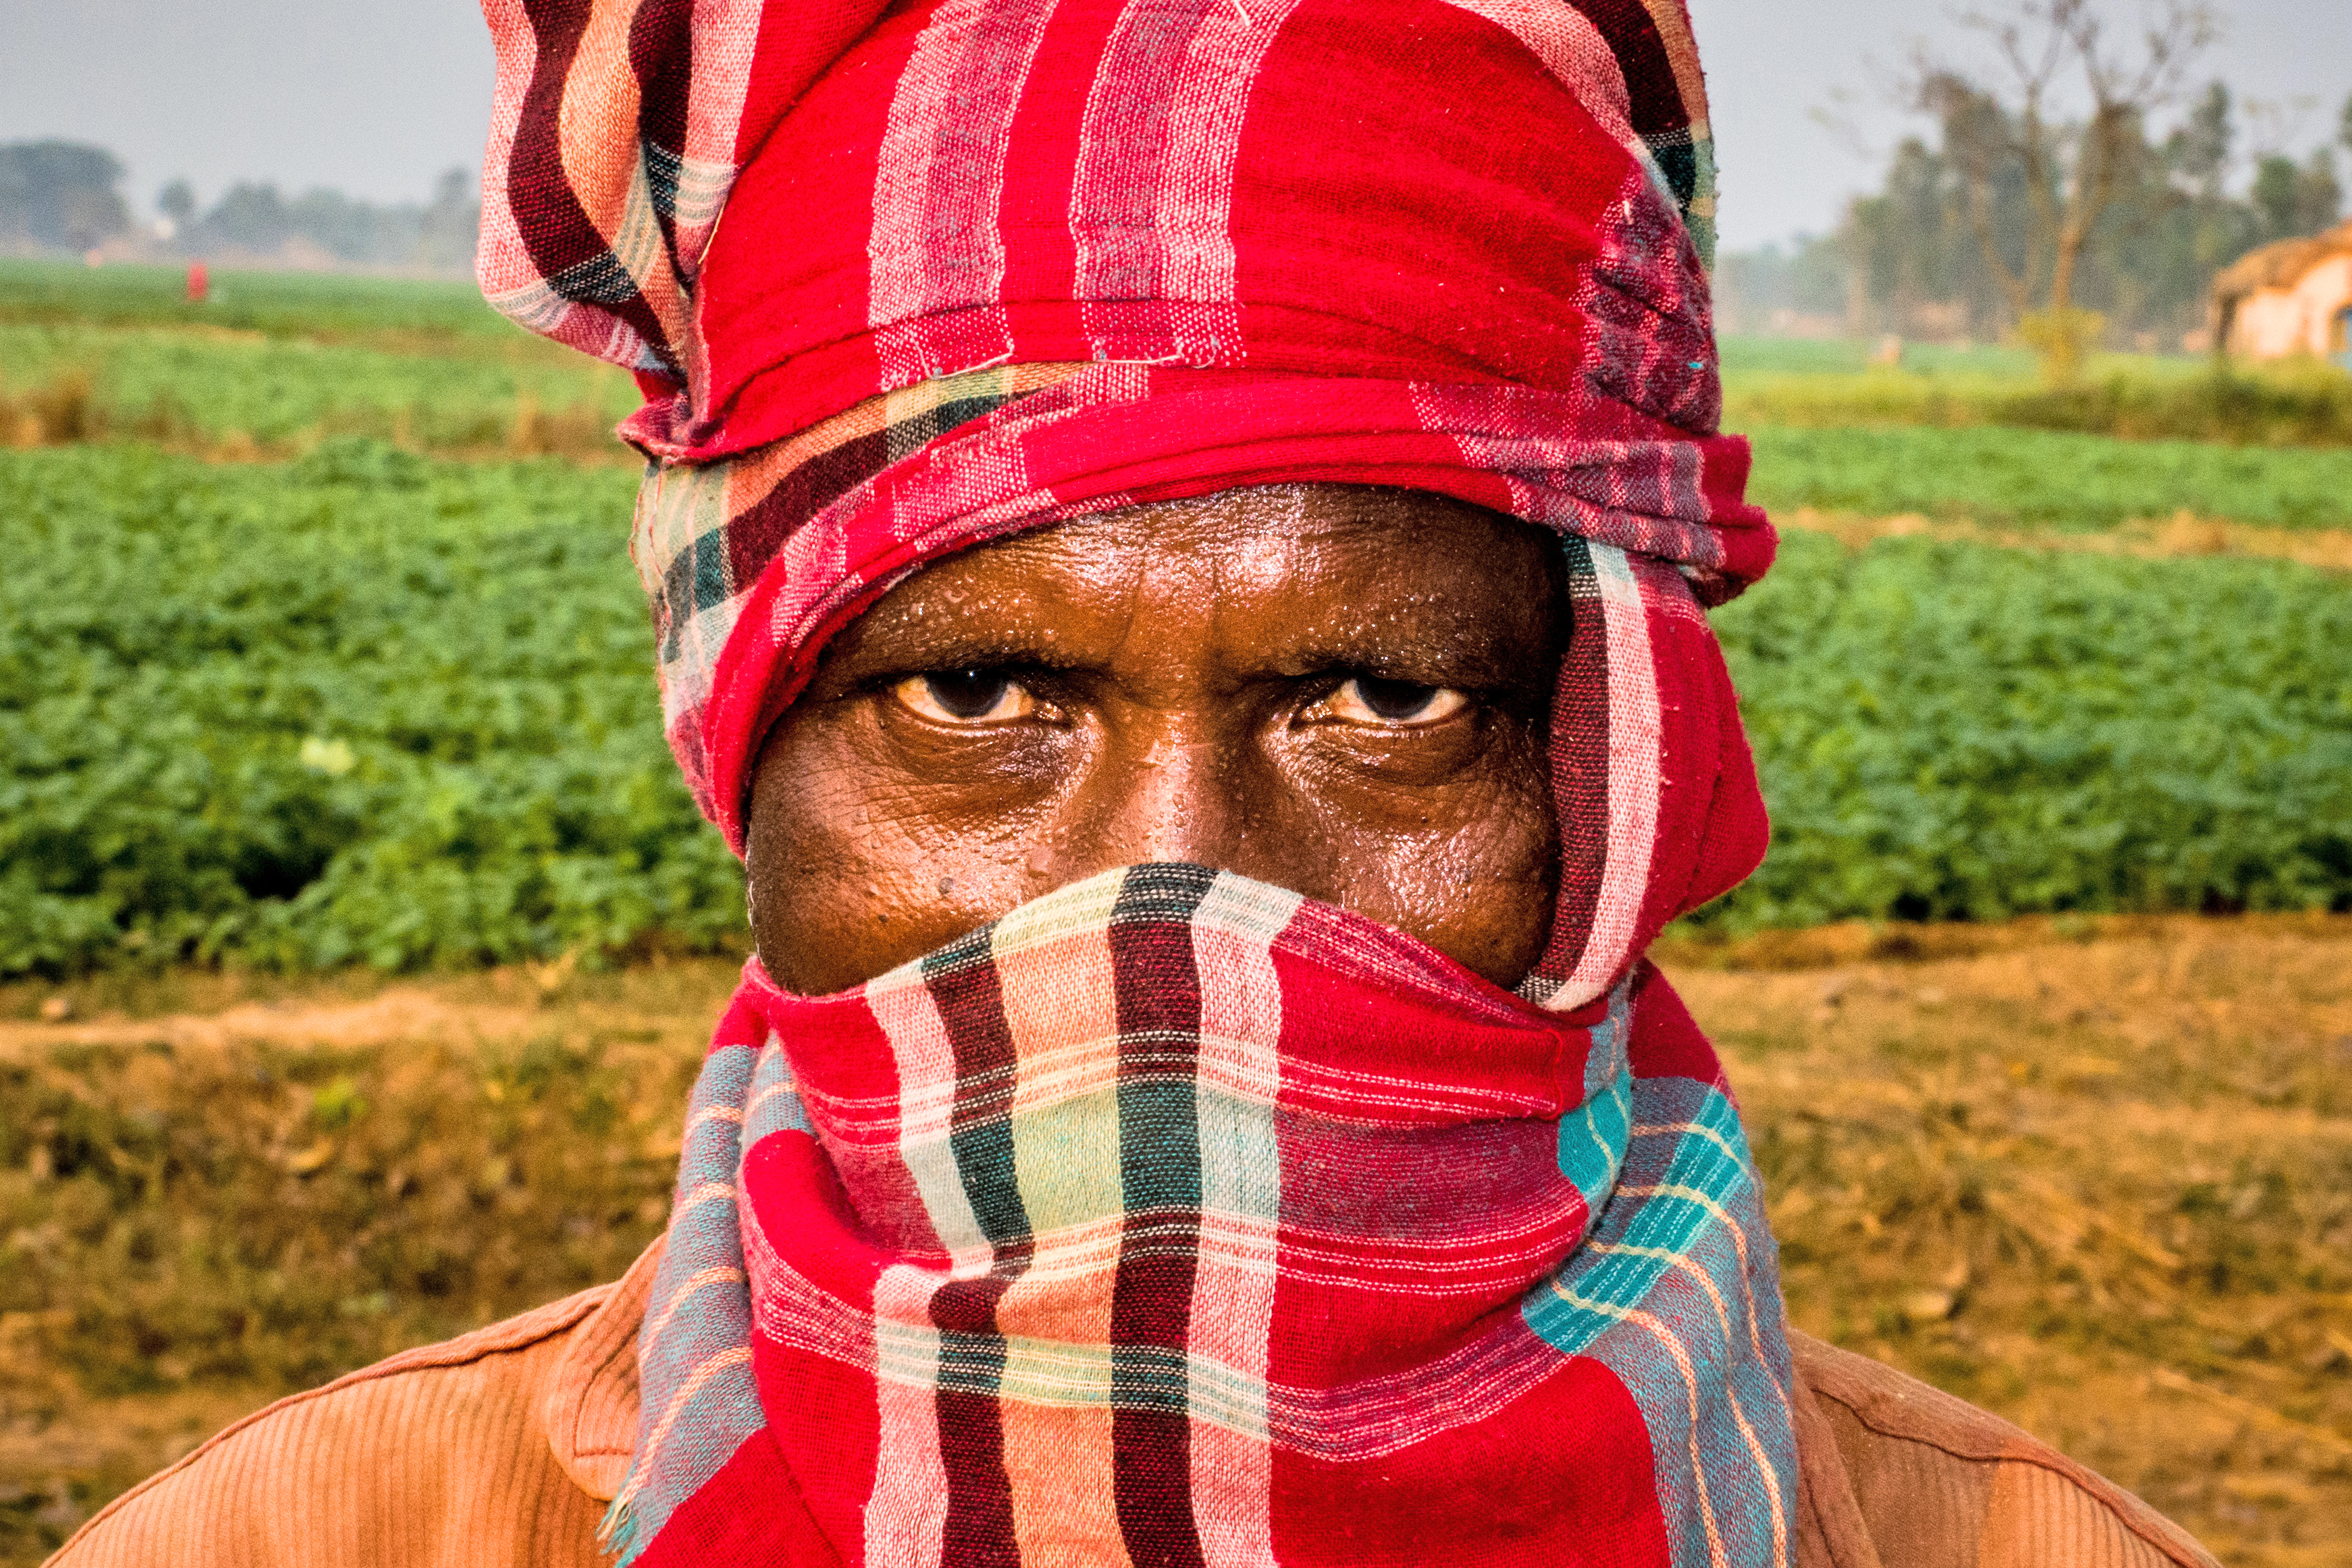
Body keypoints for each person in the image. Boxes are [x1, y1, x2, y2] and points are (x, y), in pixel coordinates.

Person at [49, 0, 2220, 1564]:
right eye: (979, 692)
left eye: (1381, 703)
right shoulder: (296, 1540)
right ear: (754, 753)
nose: (1167, 902)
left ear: (1608, 775)